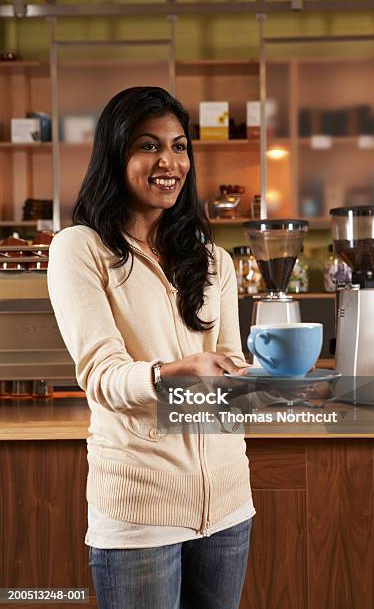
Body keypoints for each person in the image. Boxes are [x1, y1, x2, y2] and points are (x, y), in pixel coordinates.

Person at [47, 86, 255, 609]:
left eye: (180, 146)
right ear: (116, 155)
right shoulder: (81, 248)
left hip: (229, 506)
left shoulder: (214, 261)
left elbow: (229, 377)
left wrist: (255, 379)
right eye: (148, 145)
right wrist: (174, 372)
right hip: (139, 510)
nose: (169, 161)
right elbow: (102, 376)